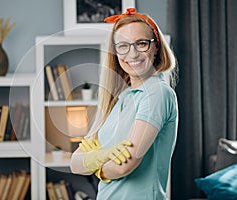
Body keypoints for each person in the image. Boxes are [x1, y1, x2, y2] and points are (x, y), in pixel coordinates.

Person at [70, 8, 178, 200]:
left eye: (141, 44)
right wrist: (103, 156)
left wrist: (95, 166)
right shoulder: (122, 97)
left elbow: (124, 166)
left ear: (156, 47)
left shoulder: (157, 93)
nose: (132, 53)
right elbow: (75, 163)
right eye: (123, 46)